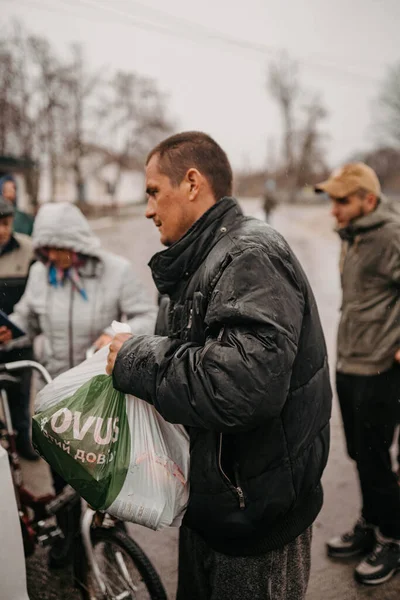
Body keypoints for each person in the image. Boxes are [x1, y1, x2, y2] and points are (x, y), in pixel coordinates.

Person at [106, 131, 332, 600]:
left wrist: (135, 358)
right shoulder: (199, 261)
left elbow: (240, 385)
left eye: (153, 191)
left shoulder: (249, 254)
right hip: (213, 507)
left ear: (192, 183)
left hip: (255, 523)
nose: (148, 209)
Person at [1, 201, 157, 567]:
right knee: (62, 477)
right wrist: (11, 330)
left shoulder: (115, 271)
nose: (55, 257)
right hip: (58, 395)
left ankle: (112, 539)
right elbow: (28, 317)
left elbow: (145, 313)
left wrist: (118, 335)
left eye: (61, 248)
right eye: (47, 249)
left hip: (104, 393)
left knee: (107, 472)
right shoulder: (42, 273)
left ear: (80, 243)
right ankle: (70, 542)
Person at [315, 163, 400, 586]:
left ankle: (393, 537)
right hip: (351, 361)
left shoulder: (389, 234)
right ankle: (372, 521)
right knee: (359, 454)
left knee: (376, 456)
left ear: (368, 200)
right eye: (332, 199)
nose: (334, 209)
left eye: (342, 200)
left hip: (380, 367)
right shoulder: (354, 235)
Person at [0, 196, 36, 460]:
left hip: (19, 342)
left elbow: (37, 297)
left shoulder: (29, 250)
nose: (1, 230)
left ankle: (23, 442)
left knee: (20, 397)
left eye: (5, 222)